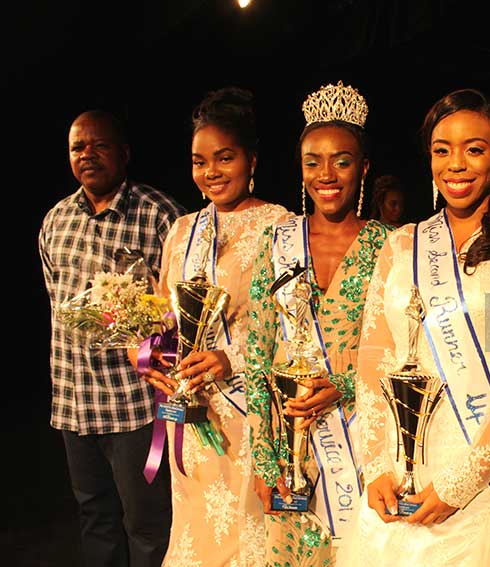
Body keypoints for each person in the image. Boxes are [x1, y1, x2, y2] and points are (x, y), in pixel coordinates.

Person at [343, 88, 490, 567]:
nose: (456, 165)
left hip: (488, 480)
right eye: (442, 150)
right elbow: (373, 358)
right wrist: (377, 465)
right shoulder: (403, 244)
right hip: (401, 476)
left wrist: (459, 483)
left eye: (474, 149)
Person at [136, 87, 290, 567]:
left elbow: (293, 325)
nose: (212, 172)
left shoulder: (279, 225)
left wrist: (230, 357)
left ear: (252, 159)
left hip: (247, 412)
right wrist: (148, 353)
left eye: (225, 158)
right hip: (191, 414)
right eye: (200, 161)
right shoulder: (181, 230)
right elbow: (161, 312)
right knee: (195, 534)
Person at [246, 81, 392, 566]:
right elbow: (256, 357)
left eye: (342, 161)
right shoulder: (276, 241)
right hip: (294, 459)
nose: (325, 175)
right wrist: (266, 464)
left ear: (364, 167)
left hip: (364, 447)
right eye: (313, 162)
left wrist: (344, 385)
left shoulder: (392, 247)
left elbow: (406, 356)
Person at [39, 109, 184, 567]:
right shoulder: (55, 220)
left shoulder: (161, 215)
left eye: (98, 146)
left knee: (147, 524)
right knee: (94, 519)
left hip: (135, 407)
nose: (86, 155)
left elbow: (181, 307)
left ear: (123, 153)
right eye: (77, 147)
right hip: (74, 404)